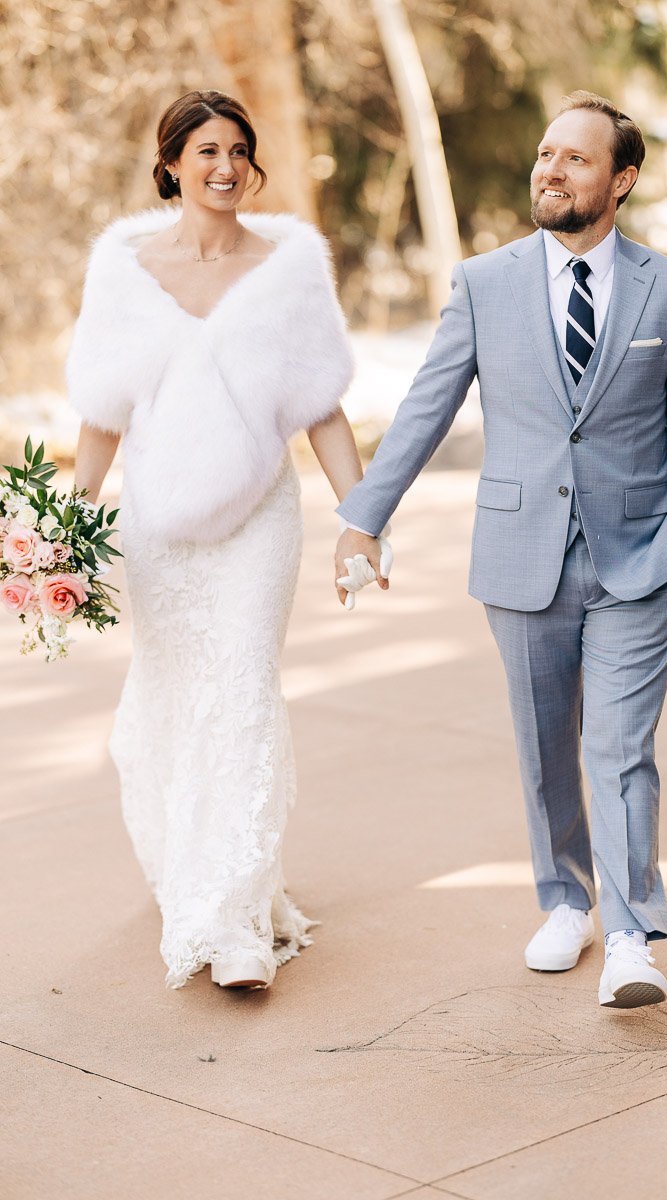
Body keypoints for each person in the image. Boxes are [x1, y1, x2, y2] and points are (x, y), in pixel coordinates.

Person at [335, 91, 667, 1008]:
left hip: (643, 561)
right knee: (545, 745)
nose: (550, 169)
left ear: (620, 180)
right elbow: (427, 408)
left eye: (576, 159)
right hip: (521, 553)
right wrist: (364, 514)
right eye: (546, 154)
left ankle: (630, 934)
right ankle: (565, 900)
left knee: (620, 748)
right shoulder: (485, 282)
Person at [69, 89, 381, 990]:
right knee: (174, 695)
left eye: (239, 150)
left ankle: (235, 921)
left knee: (241, 688)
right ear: (170, 164)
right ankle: (190, 869)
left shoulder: (289, 266)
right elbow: (99, 417)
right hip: (156, 529)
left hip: (258, 523)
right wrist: (58, 531)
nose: (225, 166)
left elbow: (320, 405)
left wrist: (357, 519)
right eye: (205, 150)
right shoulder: (121, 271)